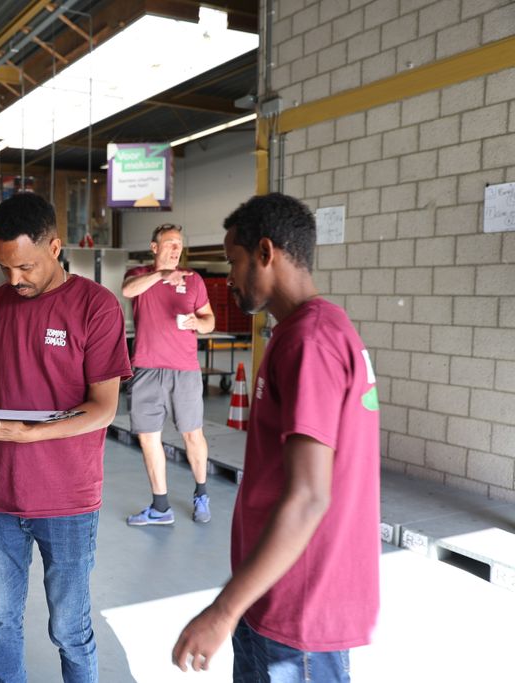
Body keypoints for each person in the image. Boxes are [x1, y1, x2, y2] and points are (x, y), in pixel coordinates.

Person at [173, 193, 380, 681]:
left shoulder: (312, 342)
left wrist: (222, 612)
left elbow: (310, 497)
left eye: (234, 260)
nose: (228, 276)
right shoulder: (307, 332)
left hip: (298, 609)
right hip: (274, 596)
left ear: (265, 253)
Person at [0, 193, 131, 683]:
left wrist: (32, 435)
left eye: (25, 267)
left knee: (70, 628)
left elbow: (104, 408)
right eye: (5, 267)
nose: (15, 280)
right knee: (0, 619)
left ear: (55, 246)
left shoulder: (96, 307)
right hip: (1, 496)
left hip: (67, 499)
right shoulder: (0, 301)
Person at [122, 224, 216, 526]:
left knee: (192, 434)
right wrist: (162, 276)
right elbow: (127, 291)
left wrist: (197, 324)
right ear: (154, 248)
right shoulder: (139, 276)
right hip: (147, 370)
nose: (176, 249)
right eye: (169, 244)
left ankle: (201, 493)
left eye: (179, 244)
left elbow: (209, 319)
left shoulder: (193, 280)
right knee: (149, 439)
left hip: (185, 371)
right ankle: (160, 507)